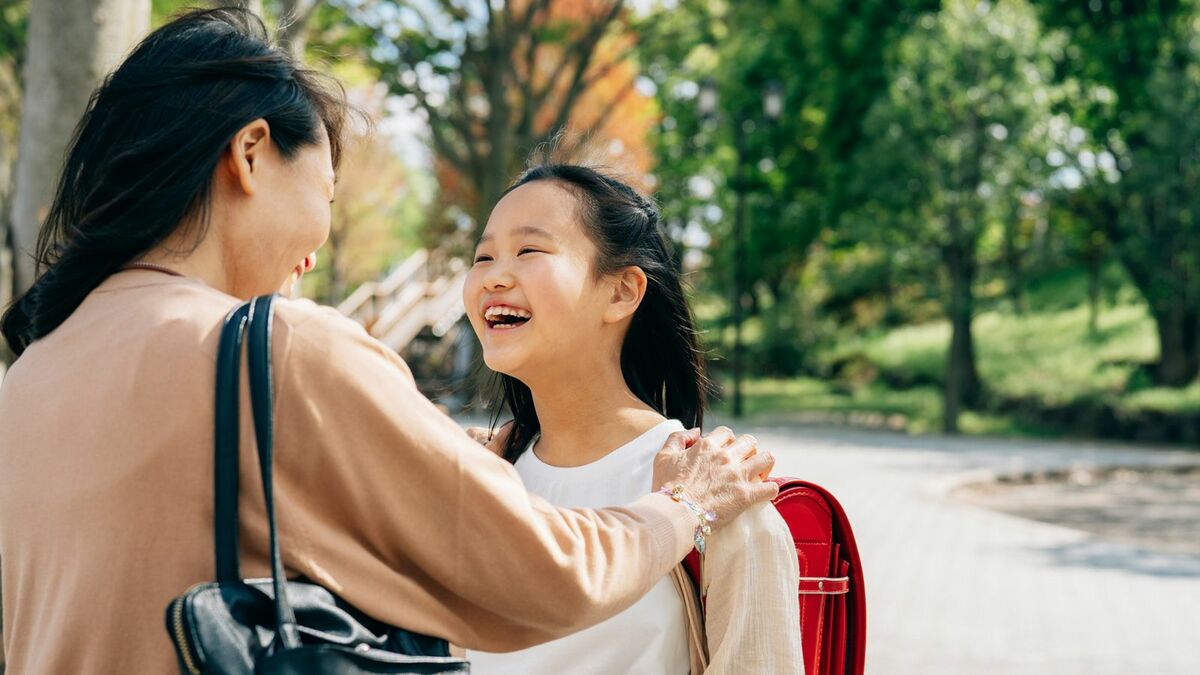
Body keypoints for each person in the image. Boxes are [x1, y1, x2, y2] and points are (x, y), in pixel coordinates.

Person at [0, 9, 776, 673]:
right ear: (250, 154)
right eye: (328, 189)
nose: (317, 248)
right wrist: (686, 505)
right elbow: (551, 574)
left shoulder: (30, 377)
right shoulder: (278, 352)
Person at [462, 164, 803, 674]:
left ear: (622, 291)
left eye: (528, 250)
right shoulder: (484, 476)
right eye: (483, 256)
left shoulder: (718, 495)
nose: (493, 275)